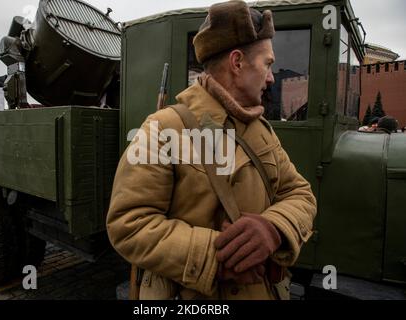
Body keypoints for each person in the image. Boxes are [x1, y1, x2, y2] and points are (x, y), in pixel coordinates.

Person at [107, 0, 317, 300]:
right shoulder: (164, 128)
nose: (271, 77)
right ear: (237, 62)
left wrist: (274, 228)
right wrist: (215, 259)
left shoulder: (261, 130)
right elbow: (128, 224)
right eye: (267, 63)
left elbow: (301, 194)